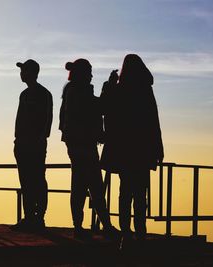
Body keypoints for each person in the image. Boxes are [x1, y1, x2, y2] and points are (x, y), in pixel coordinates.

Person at [100, 54, 164, 246]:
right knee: (140, 193)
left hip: (124, 149)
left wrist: (109, 86)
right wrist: (158, 148)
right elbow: (154, 121)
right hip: (143, 149)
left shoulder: (119, 90)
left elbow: (104, 109)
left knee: (125, 192)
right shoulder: (145, 90)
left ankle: (126, 234)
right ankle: (140, 234)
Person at [59, 58, 119, 240]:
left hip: (78, 144)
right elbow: (99, 107)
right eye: (89, 72)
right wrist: (108, 87)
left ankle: (85, 225)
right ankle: (97, 226)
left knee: (84, 185)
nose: (92, 75)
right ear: (83, 74)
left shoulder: (72, 91)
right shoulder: (79, 92)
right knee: (90, 186)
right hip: (83, 144)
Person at [11, 59, 53, 232]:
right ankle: (29, 217)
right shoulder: (24, 94)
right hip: (22, 144)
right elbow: (20, 119)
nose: (21, 74)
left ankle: (39, 217)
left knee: (37, 180)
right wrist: (17, 140)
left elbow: (47, 120)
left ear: (33, 73)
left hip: (35, 145)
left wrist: (39, 139)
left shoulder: (43, 94)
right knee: (25, 181)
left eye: (24, 71)